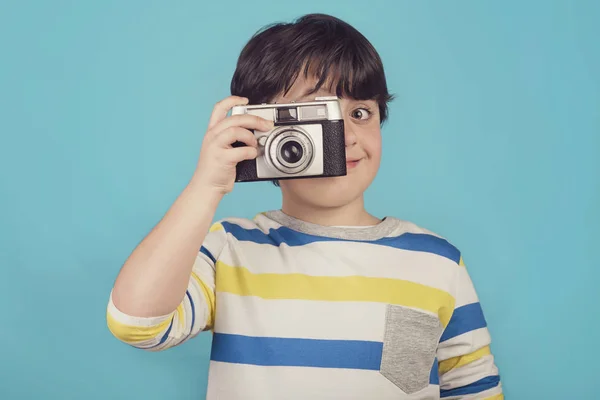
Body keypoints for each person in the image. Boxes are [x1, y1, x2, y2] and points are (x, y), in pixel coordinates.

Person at [106, 13, 503, 400]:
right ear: (257, 130)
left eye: (360, 113)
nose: (344, 136)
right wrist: (205, 187)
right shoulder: (230, 250)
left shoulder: (438, 262)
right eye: (317, 116)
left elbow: (474, 386)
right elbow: (137, 324)